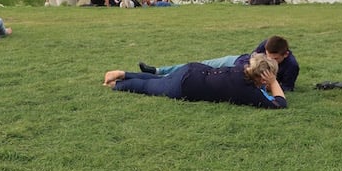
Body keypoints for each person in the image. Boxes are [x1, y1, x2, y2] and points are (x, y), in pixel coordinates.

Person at [104, 53, 286, 109]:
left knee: (160, 79)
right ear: (263, 77)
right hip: (186, 85)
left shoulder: (241, 67)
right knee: (149, 86)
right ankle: (117, 83)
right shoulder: (248, 91)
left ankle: (123, 73)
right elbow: (280, 105)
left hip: (193, 69)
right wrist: (273, 82)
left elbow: (247, 57)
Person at [139, 35, 299, 91]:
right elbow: (253, 56)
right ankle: (158, 71)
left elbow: (287, 87)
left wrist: (269, 84)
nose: (269, 60)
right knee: (198, 65)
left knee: (197, 75)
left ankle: (164, 78)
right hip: (236, 62)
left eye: (275, 59)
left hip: (240, 76)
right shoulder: (267, 44)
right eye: (267, 55)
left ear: (285, 54)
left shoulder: (292, 65)